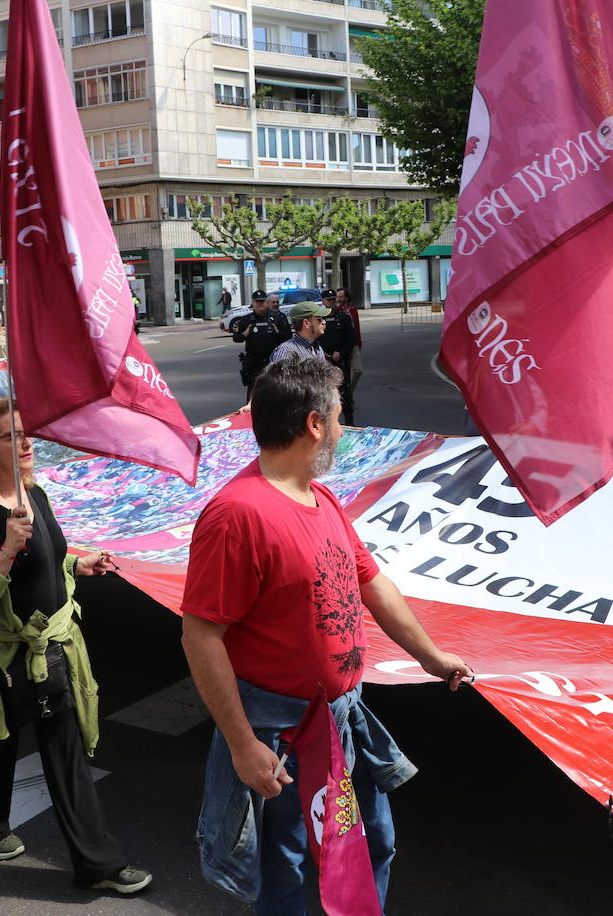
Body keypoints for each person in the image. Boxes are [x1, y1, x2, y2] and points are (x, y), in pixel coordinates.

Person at [180, 358, 472, 912]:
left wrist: (431, 656)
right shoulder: (236, 515)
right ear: (313, 424)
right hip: (281, 735)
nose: (343, 428)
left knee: (372, 845)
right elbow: (201, 637)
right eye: (339, 416)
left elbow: (372, 584)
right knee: (284, 871)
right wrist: (243, 745)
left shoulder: (324, 498)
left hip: (341, 722)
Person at [0, 398, 151, 895]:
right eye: (11, 436)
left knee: (66, 752)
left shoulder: (36, 494)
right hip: (3, 658)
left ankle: (97, 863)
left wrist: (77, 564)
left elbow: (49, 557)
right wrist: (7, 549)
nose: (27, 443)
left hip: (51, 650)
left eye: (25, 431)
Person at [231, 291, 291, 400]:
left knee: (274, 392)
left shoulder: (276, 318)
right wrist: (244, 334)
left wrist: (278, 332)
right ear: (253, 303)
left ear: (266, 303)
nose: (260, 305)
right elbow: (236, 338)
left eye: (262, 302)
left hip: (272, 362)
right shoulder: (246, 320)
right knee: (253, 394)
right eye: (257, 302)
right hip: (253, 363)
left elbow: (288, 336)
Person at [318, 290, 357, 425]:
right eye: (328, 300)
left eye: (333, 299)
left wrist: (341, 353)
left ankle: (350, 425)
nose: (331, 302)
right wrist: (321, 352)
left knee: (345, 396)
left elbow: (352, 340)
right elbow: (314, 338)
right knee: (326, 396)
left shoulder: (343, 317)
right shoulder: (318, 319)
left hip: (341, 361)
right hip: (324, 362)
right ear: (323, 301)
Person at [336, 288, 363, 392]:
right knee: (343, 373)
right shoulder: (337, 311)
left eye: (340, 297)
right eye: (337, 297)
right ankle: (345, 395)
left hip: (354, 345)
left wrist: (359, 343)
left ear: (346, 298)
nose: (338, 299)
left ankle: (349, 391)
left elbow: (357, 327)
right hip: (342, 346)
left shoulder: (353, 310)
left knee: (358, 370)